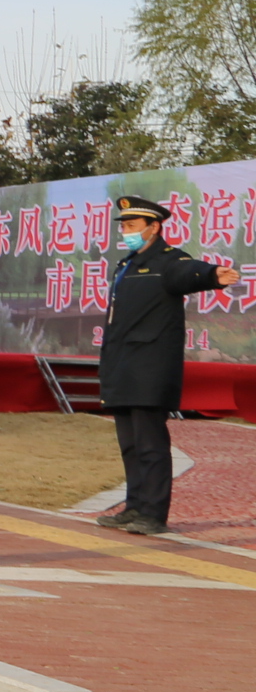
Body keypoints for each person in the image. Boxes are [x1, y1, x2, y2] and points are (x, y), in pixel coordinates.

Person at [96, 195, 239, 534]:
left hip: (149, 370)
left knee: (150, 445)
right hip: (122, 366)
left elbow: (189, 272)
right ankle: (134, 508)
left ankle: (153, 514)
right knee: (130, 446)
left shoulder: (168, 260)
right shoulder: (127, 264)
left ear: (154, 227)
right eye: (124, 226)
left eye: (133, 226)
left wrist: (213, 275)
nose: (127, 232)